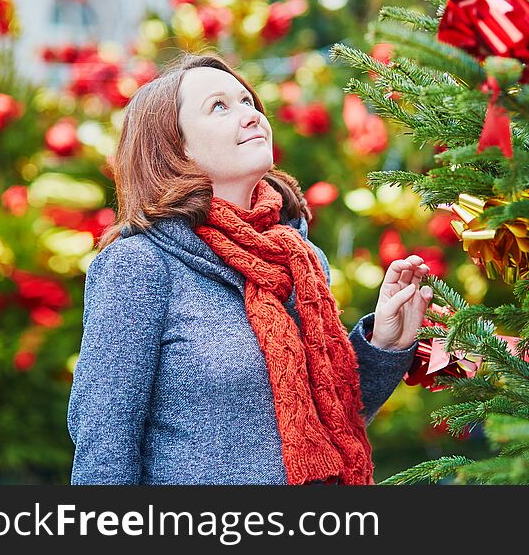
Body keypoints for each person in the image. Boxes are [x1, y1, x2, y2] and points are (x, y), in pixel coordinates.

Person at [67, 52, 434, 485]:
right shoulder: (140, 265)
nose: (250, 116)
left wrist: (385, 342)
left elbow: (332, 424)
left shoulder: (300, 258)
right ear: (172, 148)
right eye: (219, 107)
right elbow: (104, 443)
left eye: (248, 102)